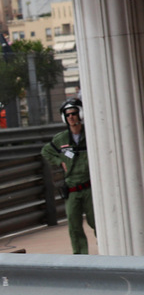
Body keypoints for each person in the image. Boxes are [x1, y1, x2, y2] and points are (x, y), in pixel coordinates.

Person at [41, 97, 96, 254]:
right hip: (72, 189)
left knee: (96, 222)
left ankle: (107, 249)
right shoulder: (61, 139)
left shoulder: (90, 135)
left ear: (81, 114)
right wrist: (59, 161)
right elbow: (46, 150)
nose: (71, 117)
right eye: (68, 115)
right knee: (74, 225)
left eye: (74, 113)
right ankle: (80, 257)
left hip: (89, 188)